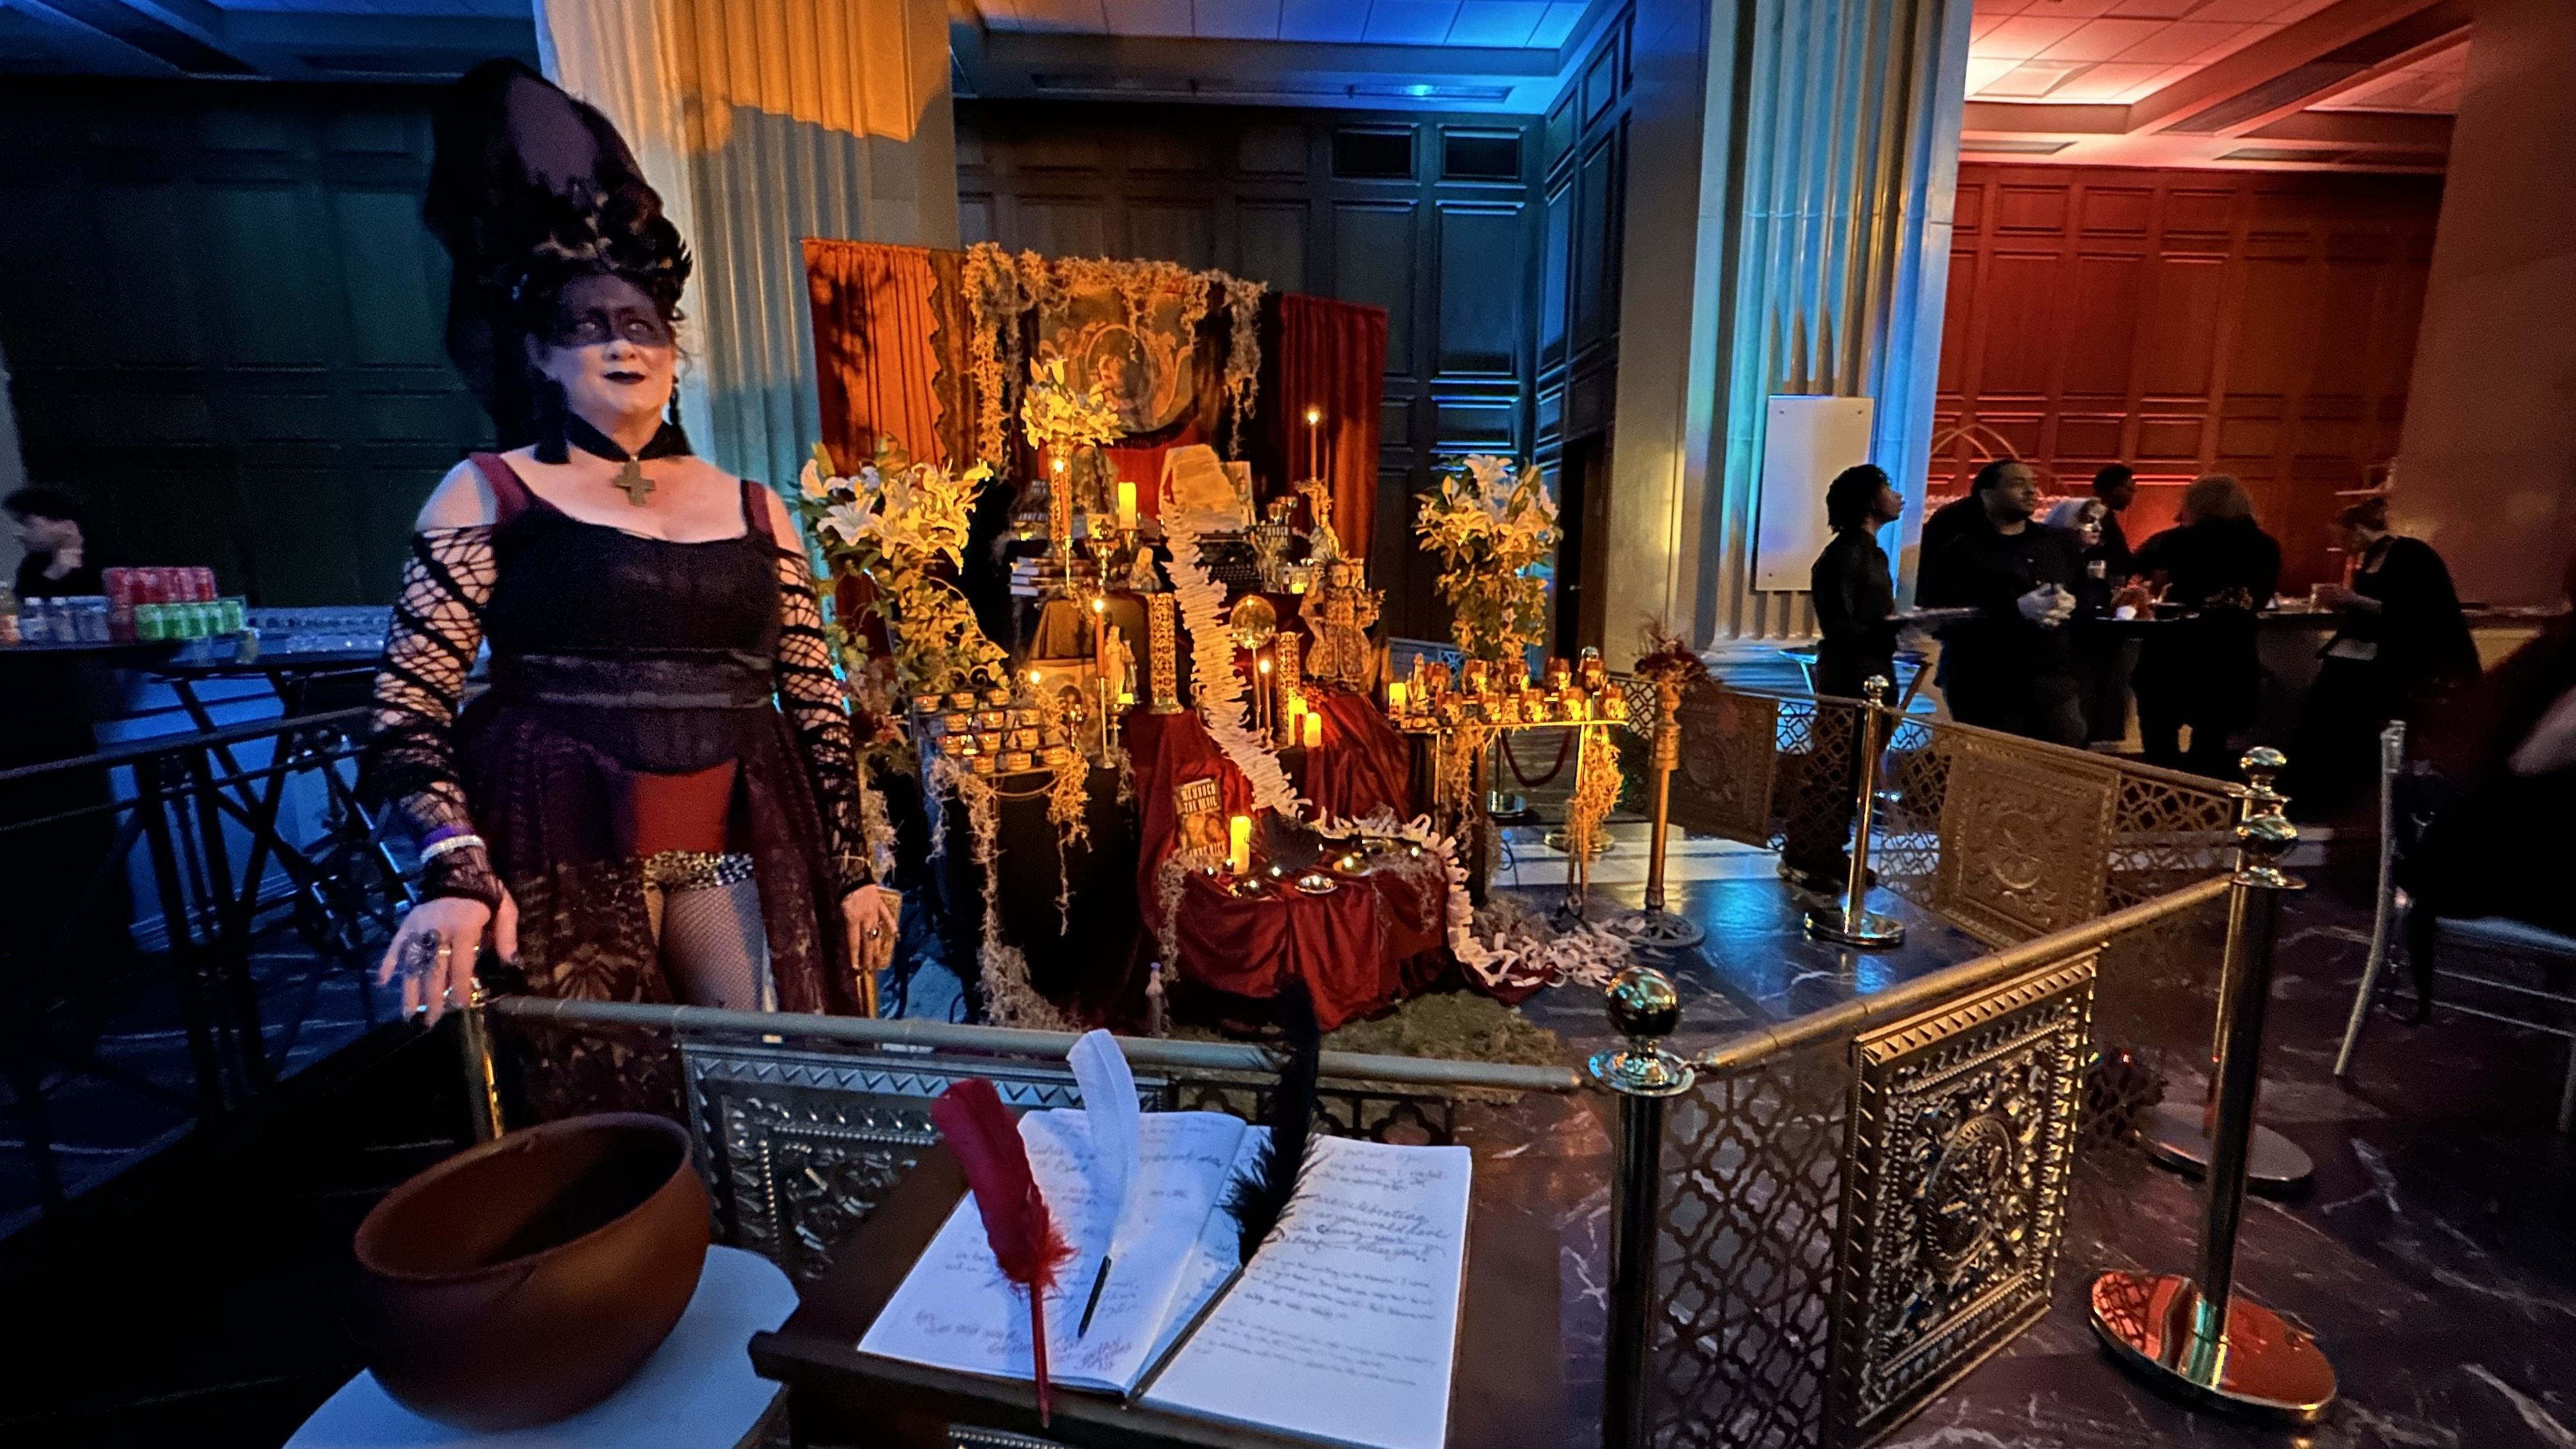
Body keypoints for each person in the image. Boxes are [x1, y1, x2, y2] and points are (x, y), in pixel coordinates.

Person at [365, 59, 899, 1035]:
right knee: (611, 1097)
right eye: (587, 326)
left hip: (736, 844)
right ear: (539, 352)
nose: (621, 345)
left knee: (761, 1072)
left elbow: (818, 704)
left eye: (643, 325)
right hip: (559, 850)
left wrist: (856, 871)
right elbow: (408, 710)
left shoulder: (749, 506)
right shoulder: (488, 492)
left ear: (673, 349)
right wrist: (452, 867)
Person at [2292, 495, 2479, 818]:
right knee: (2326, 706)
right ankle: (2322, 795)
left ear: (2359, 529)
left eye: (2343, 536)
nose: (2341, 545)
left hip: (2409, 660)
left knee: (2337, 711)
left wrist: (2353, 600)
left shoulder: (2411, 555)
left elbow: (2418, 612)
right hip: (2378, 654)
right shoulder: (2376, 557)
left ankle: (2331, 796)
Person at [1784, 464, 1903, 889]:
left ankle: (1829, 848)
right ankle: (1811, 850)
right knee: (1835, 766)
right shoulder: (1845, 553)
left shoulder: (1874, 552)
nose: (1899, 496)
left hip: (1873, 668)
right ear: (1869, 499)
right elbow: (1839, 623)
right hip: (1851, 673)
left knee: (1854, 770)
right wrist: (1892, 628)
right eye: (1889, 488)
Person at [1920, 459, 2087, 744]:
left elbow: (2087, 591)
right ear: (1987, 494)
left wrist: (2071, 603)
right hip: (1986, 680)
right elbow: (1941, 617)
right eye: (2017, 484)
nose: (2031, 491)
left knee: (2066, 756)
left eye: (2033, 483)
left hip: (2052, 677)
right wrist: (2015, 609)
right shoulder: (1962, 550)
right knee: (1994, 764)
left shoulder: (2058, 543)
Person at [2129, 475, 2281, 778]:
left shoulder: (2172, 541)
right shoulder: (2265, 546)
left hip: (2172, 652)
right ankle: (2202, 808)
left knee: (2160, 740)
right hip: (2230, 653)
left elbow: (2131, 569)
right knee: (2211, 742)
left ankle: (2160, 802)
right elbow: (2261, 598)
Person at [2045, 496, 2131, 742]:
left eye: (2098, 521)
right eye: (2088, 521)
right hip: (2063, 654)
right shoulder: (2056, 560)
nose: (2097, 528)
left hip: (2088, 649)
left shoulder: (2091, 561)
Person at [6, 486, 102, 600]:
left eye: (28, 524)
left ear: (68, 527)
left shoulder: (107, 566)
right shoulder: (31, 565)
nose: (19, 533)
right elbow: (23, 608)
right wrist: (53, 574)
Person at [2091, 464, 2138, 580]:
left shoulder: (2105, 516)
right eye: (2130, 490)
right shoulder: (2098, 518)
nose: (2132, 496)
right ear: (2115, 489)